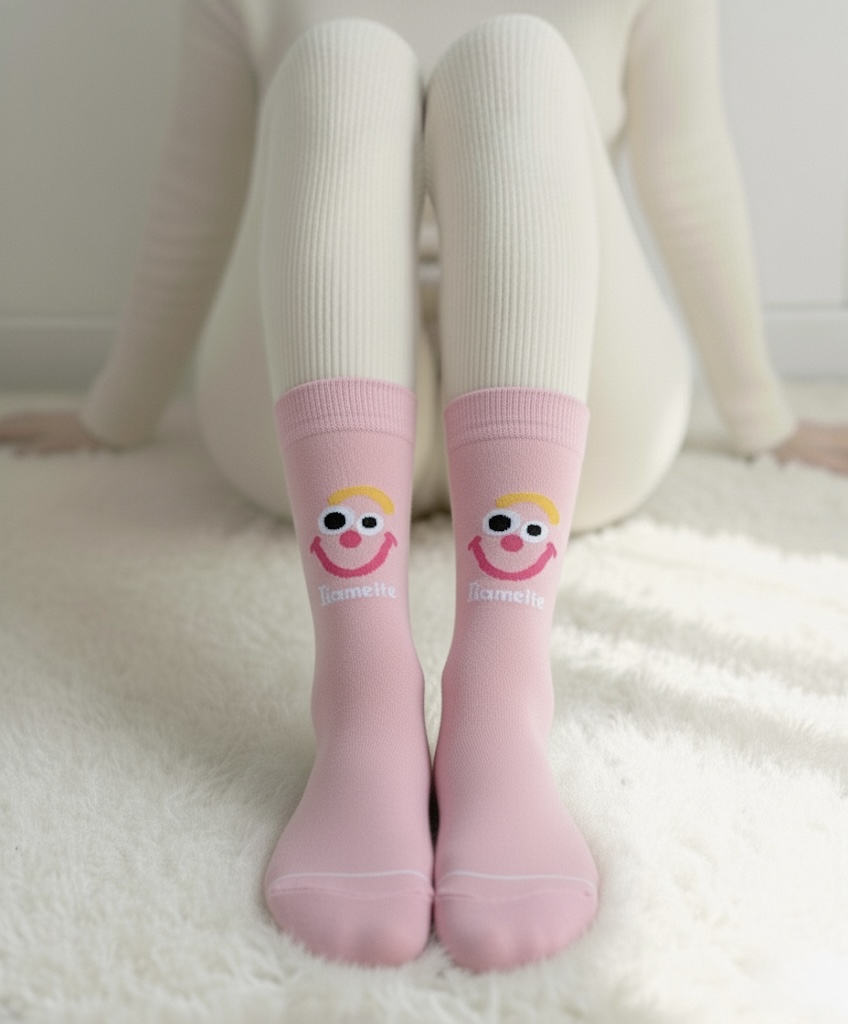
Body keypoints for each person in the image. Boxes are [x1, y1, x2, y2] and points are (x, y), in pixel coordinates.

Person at [2, 0, 847, 972]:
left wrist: (761, 414)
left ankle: (501, 699)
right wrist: (117, 411)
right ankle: (361, 698)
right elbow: (201, 185)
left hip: (571, 393)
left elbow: (682, 165)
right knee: (338, 63)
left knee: (516, 62)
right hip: (316, 396)